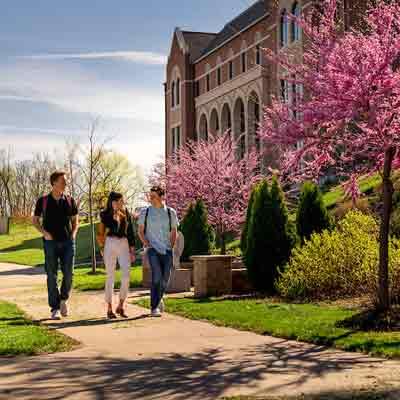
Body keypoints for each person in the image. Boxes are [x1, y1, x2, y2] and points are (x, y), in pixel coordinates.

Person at [32, 171, 79, 320]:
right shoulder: (43, 201)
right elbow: (35, 220)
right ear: (54, 183)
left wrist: (73, 234)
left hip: (67, 242)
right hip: (50, 243)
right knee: (51, 275)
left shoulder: (70, 200)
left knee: (69, 273)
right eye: (62, 181)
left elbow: (75, 220)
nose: (65, 183)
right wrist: (44, 232)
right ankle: (55, 308)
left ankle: (63, 299)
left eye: (66, 181)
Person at [138, 185, 179, 317]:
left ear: (162, 197)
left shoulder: (170, 212)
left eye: (154, 197)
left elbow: (174, 231)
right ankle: (153, 307)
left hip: (167, 249)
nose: (151, 199)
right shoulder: (146, 212)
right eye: (150, 196)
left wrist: (171, 247)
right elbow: (140, 230)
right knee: (156, 276)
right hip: (152, 249)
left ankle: (160, 297)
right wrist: (147, 244)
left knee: (165, 278)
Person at [97, 192, 136, 319]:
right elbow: (100, 233)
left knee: (126, 275)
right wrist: (102, 247)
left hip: (123, 243)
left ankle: (121, 305)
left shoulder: (126, 214)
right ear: (112, 202)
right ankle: (109, 308)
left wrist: (132, 250)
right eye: (118, 201)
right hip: (110, 243)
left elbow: (130, 232)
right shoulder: (104, 214)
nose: (121, 203)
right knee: (110, 276)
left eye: (121, 201)